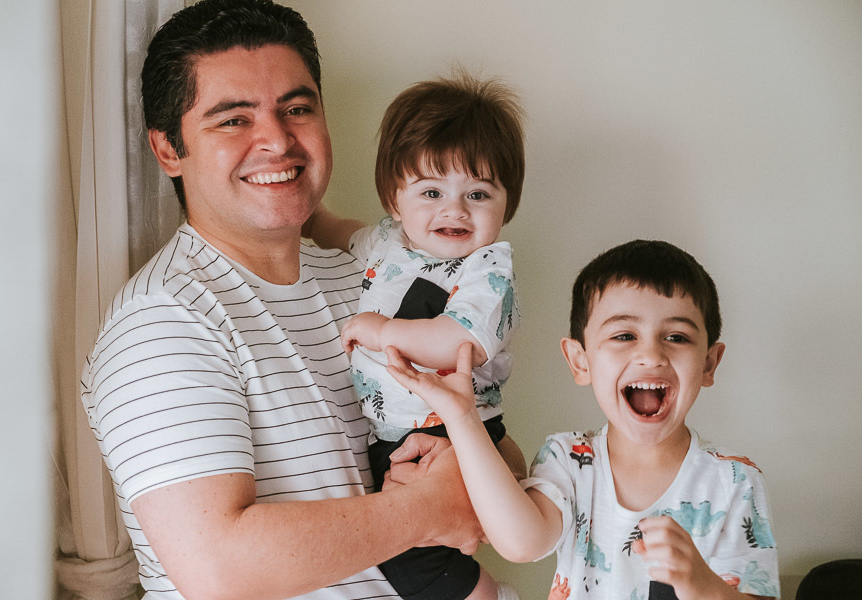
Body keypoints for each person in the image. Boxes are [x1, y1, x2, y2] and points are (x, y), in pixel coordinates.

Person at [79, 1, 525, 598]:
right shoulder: (164, 320)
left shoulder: (373, 279)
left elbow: (501, 459)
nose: (277, 140)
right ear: (168, 150)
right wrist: (436, 504)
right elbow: (220, 569)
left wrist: (477, 473)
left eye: (296, 109)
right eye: (233, 120)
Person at [388, 240, 780, 600]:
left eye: (676, 337)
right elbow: (522, 543)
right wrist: (463, 418)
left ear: (709, 363)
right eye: (624, 335)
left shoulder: (736, 482)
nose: (651, 355)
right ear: (580, 361)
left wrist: (703, 584)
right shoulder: (569, 459)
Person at [304, 73, 524, 600]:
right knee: (402, 548)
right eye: (431, 192)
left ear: (505, 203)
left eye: (478, 193)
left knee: (417, 558)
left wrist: (383, 332)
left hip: (456, 429)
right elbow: (342, 233)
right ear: (394, 199)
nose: (455, 210)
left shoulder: (488, 270)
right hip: (394, 434)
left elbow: (457, 342)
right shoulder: (388, 240)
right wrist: (309, 217)